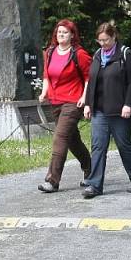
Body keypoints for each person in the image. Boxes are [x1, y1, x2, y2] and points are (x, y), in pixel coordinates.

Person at [82, 23, 131, 198]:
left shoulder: (126, 54)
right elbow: (92, 81)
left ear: (114, 37)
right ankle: (94, 185)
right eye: (100, 40)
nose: (103, 44)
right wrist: (88, 103)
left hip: (120, 110)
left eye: (106, 40)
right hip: (99, 110)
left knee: (123, 145)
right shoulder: (97, 55)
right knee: (97, 146)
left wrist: (128, 104)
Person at [37, 19, 93, 193]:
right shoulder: (50, 52)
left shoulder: (79, 54)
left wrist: (85, 98)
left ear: (72, 35)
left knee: (60, 138)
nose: (61, 35)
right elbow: (47, 74)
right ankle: (90, 167)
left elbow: (89, 77)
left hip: (73, 101)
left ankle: (52, 180)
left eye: (65, 32)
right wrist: (44, 92)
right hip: (55, 101)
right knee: (72, 140)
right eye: (59, 32)